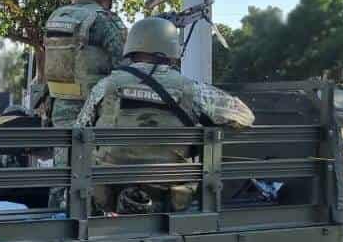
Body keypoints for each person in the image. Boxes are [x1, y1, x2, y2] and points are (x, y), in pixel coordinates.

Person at [76, 16, 256, 214]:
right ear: (171, 49)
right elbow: (245, 117)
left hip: (111, 190)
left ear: (132, 48)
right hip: (168, 193)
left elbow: (80, 130)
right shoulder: (191, 89)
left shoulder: (105, 86)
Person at [39, 0, 127, 127]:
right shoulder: (103, 19)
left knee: (64, 153)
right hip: (92, 113)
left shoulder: (57, 16)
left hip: (57, 109)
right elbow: (125, 66)